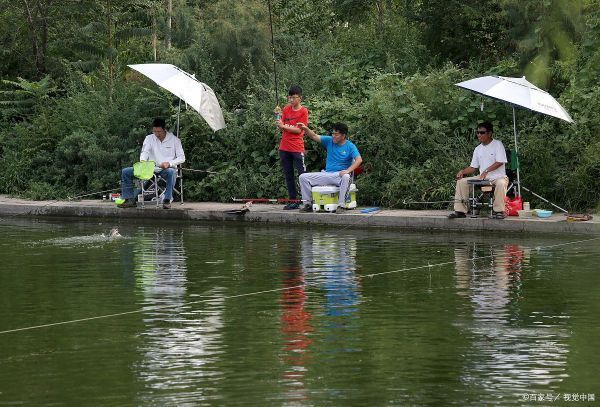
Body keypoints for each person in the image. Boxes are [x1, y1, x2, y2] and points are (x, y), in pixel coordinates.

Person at [117, 118, 185, 209]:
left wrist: (169, 163)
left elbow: (182, 158)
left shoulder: (175, 140)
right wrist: (143, 161)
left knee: (171, 172)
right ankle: (129, 200)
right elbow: (145, 152)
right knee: (126, 172)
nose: (157, 134)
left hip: (166, 169)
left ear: (164, 129)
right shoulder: (149, 138)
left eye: (159, 131)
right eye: (155, 131)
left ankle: (167, 200)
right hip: (150, 169)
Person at [296, 122, 363, 213]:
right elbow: (314, 136)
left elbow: (359, 160)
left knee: (346, 176)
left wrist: (348, 170)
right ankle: (308, 204)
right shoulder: (329, 140)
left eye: (336, 134)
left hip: (339, 175)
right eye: (333, 133)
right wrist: (305, 128)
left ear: (343, 136)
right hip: (327, 174)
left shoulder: (350, 146)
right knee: (303, 177)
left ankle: (341, 205)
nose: (334, 136)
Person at [448, 121, 508, 219]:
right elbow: (473, 167)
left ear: (489, 133)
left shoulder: (498, 144)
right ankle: (460, 211)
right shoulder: (477, 149)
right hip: (482, 178)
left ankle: (499, 211)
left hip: (498, 177)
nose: (479, 134)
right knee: (461, 182)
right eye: (478, 132)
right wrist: (462, 172)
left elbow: (500, 161)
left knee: (501, 183)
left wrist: (486, 170)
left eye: (482, 132)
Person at [276, 86, 309, 210]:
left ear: (300, 98)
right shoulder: (285, 109)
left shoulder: (303, 111)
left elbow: (298, 130)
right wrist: (278, 118)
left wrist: (283, 126)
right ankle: (293, 200)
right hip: (284, 147)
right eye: (290, 97)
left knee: (303, 175)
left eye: (294, 97)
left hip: (297, 147)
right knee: (288, 174)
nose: (291, 100)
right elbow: (281, 128)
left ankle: (307, 200)